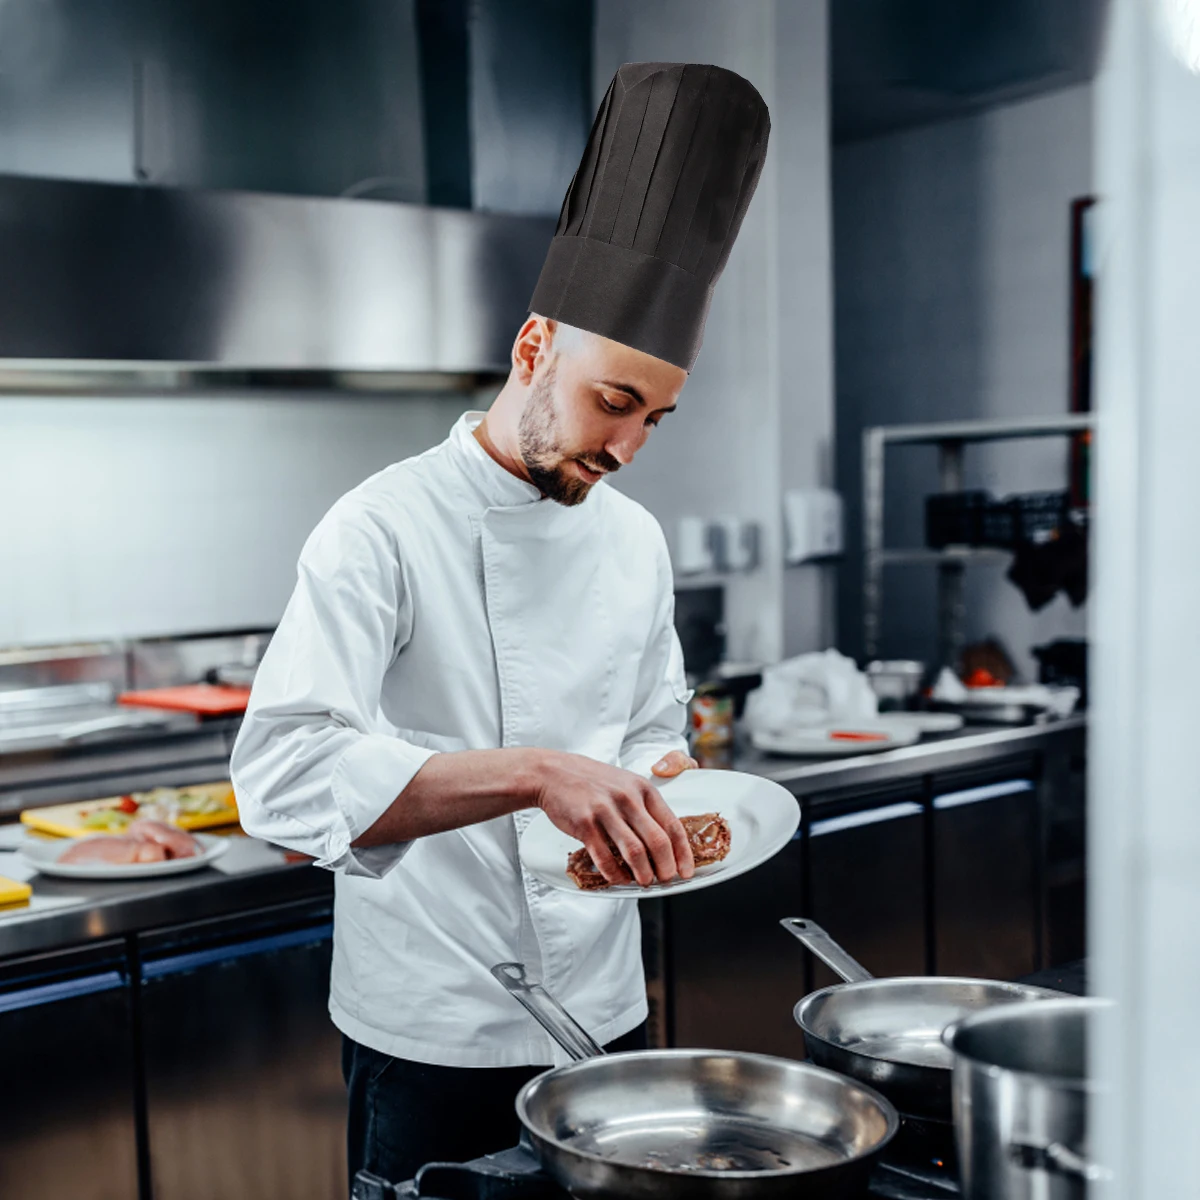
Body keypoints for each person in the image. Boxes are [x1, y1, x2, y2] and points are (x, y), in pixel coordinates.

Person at [230, 60, 769, 1189]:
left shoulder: (632, 538)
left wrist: (656, 777)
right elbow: (279, 774)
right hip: (432, 1025)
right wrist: (535, 774)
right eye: (611, 401)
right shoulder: (379, 524)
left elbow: (649, 723)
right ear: (534, 350)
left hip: (608, 1002)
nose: (626, 448)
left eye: (656, 418)